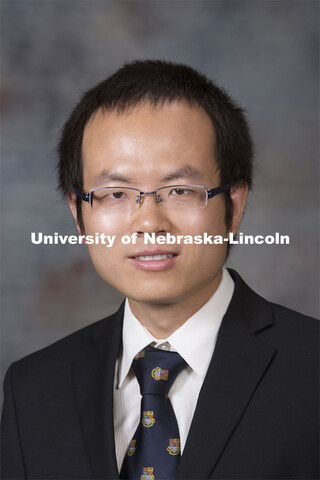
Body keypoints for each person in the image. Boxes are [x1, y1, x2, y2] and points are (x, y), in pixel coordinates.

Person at [1, 60, 318, 480]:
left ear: (234, 206)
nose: (149, 222)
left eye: (180, 190)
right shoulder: (33, 390)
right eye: (115, 193)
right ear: (79, 216)